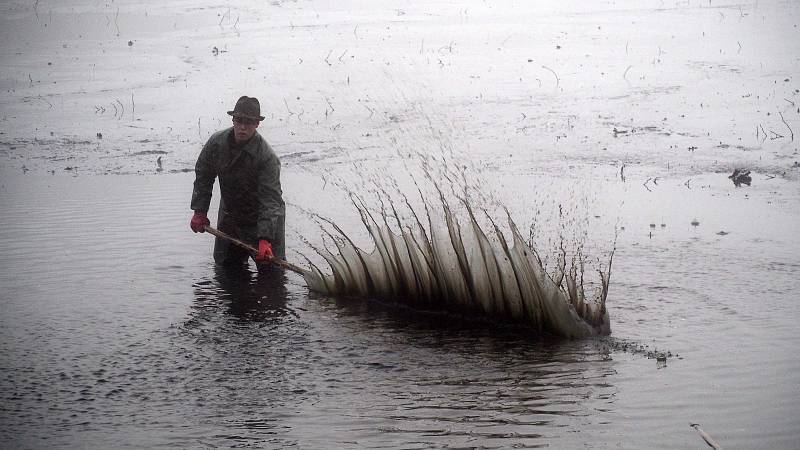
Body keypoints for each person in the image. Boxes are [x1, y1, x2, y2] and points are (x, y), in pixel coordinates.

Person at [189, 95, 285, 269]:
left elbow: (270, 201)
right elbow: (203, 175)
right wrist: (199, 211)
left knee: (272, 278)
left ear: (257, 124)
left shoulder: (267, 158)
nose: (242, 127)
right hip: (230, 216)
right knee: (226, 272)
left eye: (248, 122)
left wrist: (265, 238)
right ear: (232, 120)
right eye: (239, 120)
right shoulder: (216, 144)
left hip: (262, 219)